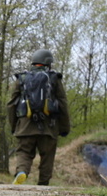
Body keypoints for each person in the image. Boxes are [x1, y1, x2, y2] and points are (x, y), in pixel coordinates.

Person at [7, 49, 70, 185]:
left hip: (25, 125)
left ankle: (22, 172)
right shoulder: (54, 78)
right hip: (49, 126)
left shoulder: (22, 79)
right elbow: (62, 104)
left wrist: (14, 126)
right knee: (47, 156)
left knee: (24, 152)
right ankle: (43, 184)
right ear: (48, 63)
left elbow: (11, 104)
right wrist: (64, 128)